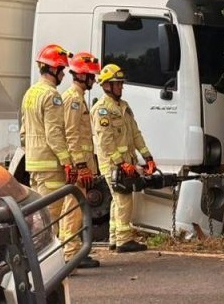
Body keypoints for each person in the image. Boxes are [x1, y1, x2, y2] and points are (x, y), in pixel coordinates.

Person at [91, 63, 155, 253]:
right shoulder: (102, 110)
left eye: (121, 83)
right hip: (112, 164)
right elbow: (105, 142)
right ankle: (123, 240)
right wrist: (122, 163)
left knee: (116, 200)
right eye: (117, 84)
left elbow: (135, 134)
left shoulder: (124, 107)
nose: (121, 87)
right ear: (106, 86)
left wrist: (147, 156)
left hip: (125, 162)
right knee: (123, 199)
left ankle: (114, 238)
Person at [22, 44, 74, 227]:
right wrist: (67, 162)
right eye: (62, 69)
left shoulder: (30, 93)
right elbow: (54, 134)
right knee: (51, 218)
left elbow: (23, 132)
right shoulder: (52, 96)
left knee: (38, 216)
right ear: (53, 68)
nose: (63, 74)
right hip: (50, 165)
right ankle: (50, 255)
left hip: (33, 163)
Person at [61, 52, 102, 269]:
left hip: (83, 164)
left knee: (78, 208)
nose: (94, 81)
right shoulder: (73, 100)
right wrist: (81, 166)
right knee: (73, 208)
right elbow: (72, 134)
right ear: (82, 76)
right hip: (80, 166)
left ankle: (74, 251)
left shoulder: (77, 99)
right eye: (92, 77)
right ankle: (70, 254)